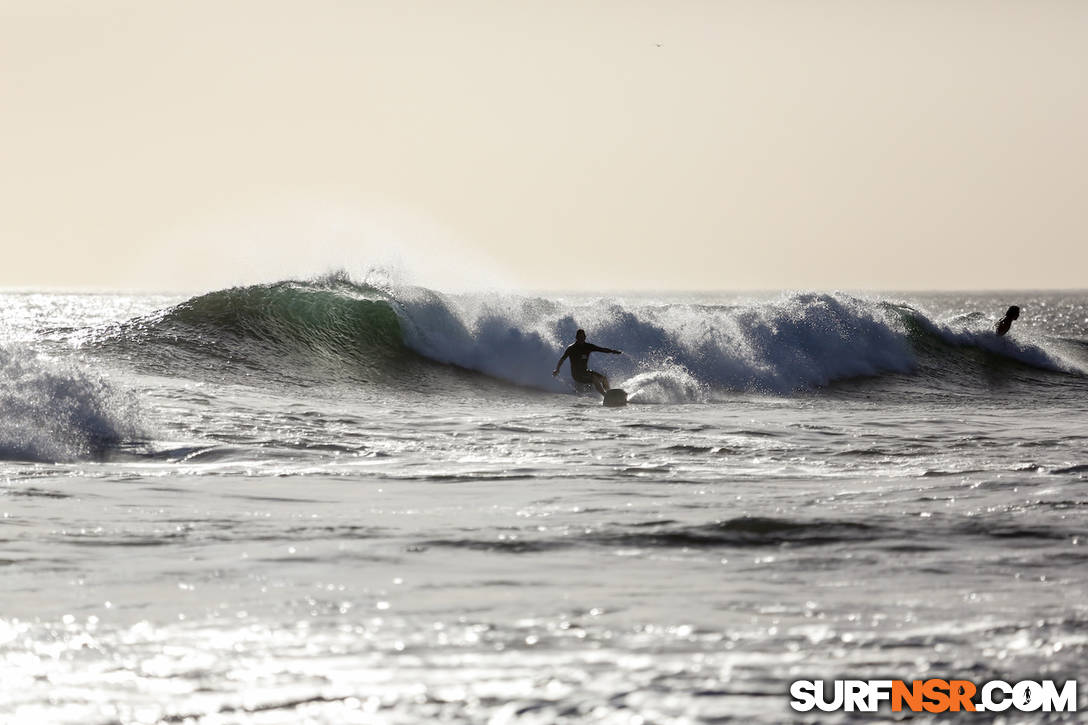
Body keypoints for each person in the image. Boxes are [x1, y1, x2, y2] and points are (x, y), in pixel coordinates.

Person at [552, 329, 622, 395]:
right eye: (579, 337)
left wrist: (613, 351)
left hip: (585, 372)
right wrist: (557, 369)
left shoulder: (588, 346)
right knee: (595, 378)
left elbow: (601, 349)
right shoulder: (571, 348)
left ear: (585, 337)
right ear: (576, 337)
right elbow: (562, 359)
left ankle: (610, 394)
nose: (581, 339)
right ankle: (605, 396)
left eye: (583, 337)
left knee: (604, 379)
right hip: (577, 375)